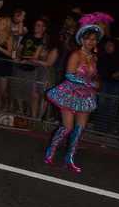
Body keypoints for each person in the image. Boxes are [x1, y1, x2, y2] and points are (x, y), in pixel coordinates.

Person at [44, 13, 109, 172]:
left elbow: (93, 74)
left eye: (94, 39)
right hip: (69, 93)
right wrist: (89, 82)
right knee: (67, 128)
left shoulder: (93, 57)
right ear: (82, 39)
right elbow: (69, 75)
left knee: (80, 129)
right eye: (88, 38)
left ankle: (69, 157)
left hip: (85, 96)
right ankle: (50, 152)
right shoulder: (75, 54)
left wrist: (95, 81)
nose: (91, 41)